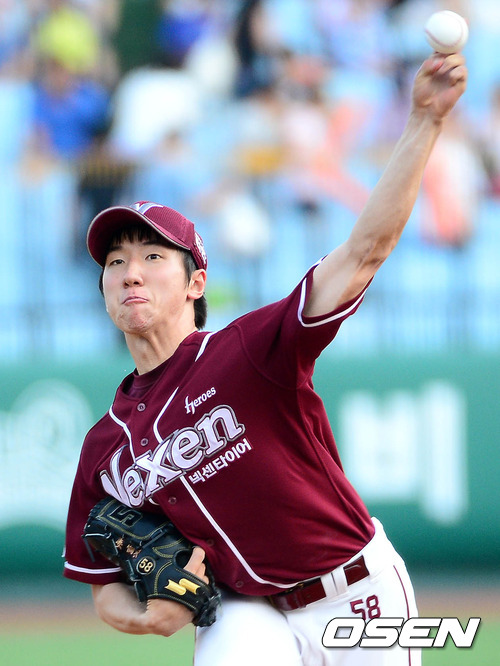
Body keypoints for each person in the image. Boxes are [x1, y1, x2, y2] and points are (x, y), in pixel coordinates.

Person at [63, 52, 467, 665]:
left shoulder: (251, 349)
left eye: (152, 257)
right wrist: (145, 617)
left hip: (354, 593)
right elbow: (102, 585)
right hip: (243, 610)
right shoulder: (104, 448)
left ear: (196, 284)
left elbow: (365, 250)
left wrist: (424, 122)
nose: (130, 273)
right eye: (115, 262)